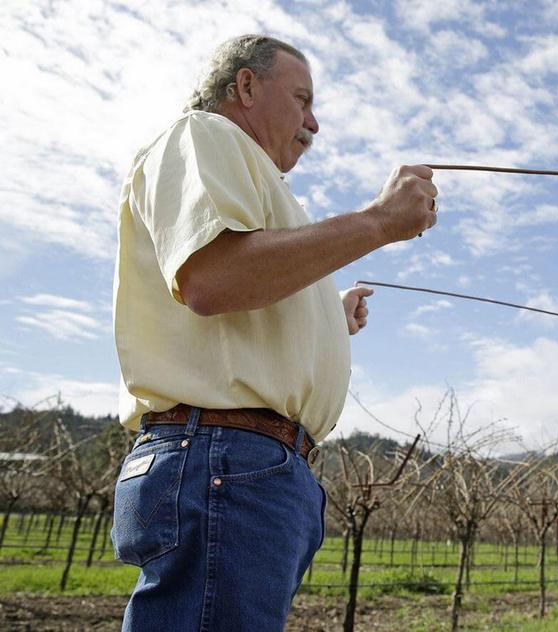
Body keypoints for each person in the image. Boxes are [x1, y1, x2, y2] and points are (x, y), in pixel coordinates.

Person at [110, 34, 437, 631]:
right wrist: (379, 222)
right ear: (245, 86)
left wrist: (324, 316)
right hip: (222, 459)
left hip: (245, 465)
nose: (314, 123)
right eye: (303, 99)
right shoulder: (204, 136)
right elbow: (215, 276)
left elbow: (240, 290)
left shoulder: (257, 182)